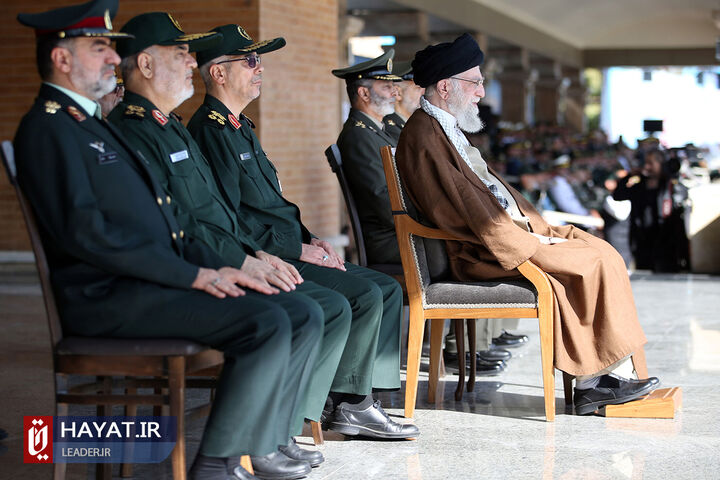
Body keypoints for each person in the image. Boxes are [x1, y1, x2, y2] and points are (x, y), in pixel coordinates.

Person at [13, 2, 322, 480]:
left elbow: (169, 219)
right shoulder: (48, 127)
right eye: (100, 48)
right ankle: (216, 466)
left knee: (297, 310)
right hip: (108, 295)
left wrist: (228, 264)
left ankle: (254, 444)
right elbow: (88, 235)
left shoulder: (90, 122)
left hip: (146, 280)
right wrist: (194, 274)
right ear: (62, 59)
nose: (115, 60)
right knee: (266, 322)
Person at [106, 13, 347, 479]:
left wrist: (256, 255)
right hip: (181, 272)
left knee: (312, 309)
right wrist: (239, 261)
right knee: (291, 313)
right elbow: (176, 224)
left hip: (219, 256)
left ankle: (265, 439)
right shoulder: (134, 129)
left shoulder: (170, 127)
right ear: (147, 66)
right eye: (180, 55)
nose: (189, 64)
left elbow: (216, 213)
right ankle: (232, 454)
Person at [395, 33, 660, 415]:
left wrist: (538, 231)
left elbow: (485, 195)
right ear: (445, 86)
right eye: (476, 82)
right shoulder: (424, 134)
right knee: (590, 262)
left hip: (501, 235)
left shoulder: (444, 127)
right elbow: (461, 213)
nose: (482, 93)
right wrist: (529, 243)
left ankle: (604, 375)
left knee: (600, 249)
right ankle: (592, 384)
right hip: (478, 249)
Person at [187, 24, 418, 440]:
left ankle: (360, 397)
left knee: (383, 287)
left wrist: (312, 240)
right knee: (361, 295)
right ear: (218, 73)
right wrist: (296, 248)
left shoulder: (241, 126)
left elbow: (275, 206)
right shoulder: (211, 130)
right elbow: (229, 218)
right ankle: (338, 404)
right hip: (268, 255)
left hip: (290, 246)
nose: (260, 70)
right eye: (251, 60)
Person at [334, 50, 402, 265]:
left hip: (397, 233)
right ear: (364, 94)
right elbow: (382, 199)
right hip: (388, 241)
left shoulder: (375, 131)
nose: (394, 94)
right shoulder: (358, 135)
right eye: (386, 87)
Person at [613, 148, 689, 272]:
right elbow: (618, 196)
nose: (647, 167)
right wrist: (629, 176)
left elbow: (682, 197)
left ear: (661, 165)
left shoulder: (670, 187)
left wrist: (672, 177)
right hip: (642, 243)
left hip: (666, 244)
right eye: (645, 163)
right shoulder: (638, 187)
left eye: (651, 163)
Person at [382, 61, 424, 143]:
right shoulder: (390, 129)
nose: (424, 93)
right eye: (418, 88)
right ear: (398, 93)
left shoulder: (413, 125)